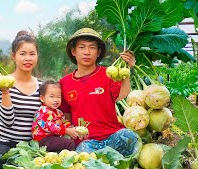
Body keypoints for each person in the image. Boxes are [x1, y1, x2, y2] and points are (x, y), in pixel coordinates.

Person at [59, 28, 140, 156]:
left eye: (92, 47)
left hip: (113, 136)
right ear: (73, 51)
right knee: (84, 154)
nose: (87, 52)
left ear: (98, 52)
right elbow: (66, 115)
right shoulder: (64, 83)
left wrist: (127, 69)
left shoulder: (108, 74)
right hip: (86, 142)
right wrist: (70, 130)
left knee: (129, 137)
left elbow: (122, 94)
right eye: (82, 47)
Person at [0, 30, 43, 169]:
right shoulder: (0, 86)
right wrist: (5, 91)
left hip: (31, 146)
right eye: (22, 54)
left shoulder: (43, 87)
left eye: (32, 54)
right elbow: (7, 121)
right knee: (0, 158)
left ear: (37, 56)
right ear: (14, 56)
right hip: (4, 144)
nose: (27, 58)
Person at [32, 80, 78, 152]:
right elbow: (49, 127)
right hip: (42, 140)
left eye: (58, 97)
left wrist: (72, 129)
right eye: (52, 97)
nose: (56, 100)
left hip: (53, 137)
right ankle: (69, 161)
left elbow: (64, 122)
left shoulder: (58, 112)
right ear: (42, 98)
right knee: (69, 144)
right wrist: (66, 130)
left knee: (72, 140)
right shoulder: (43, 111)